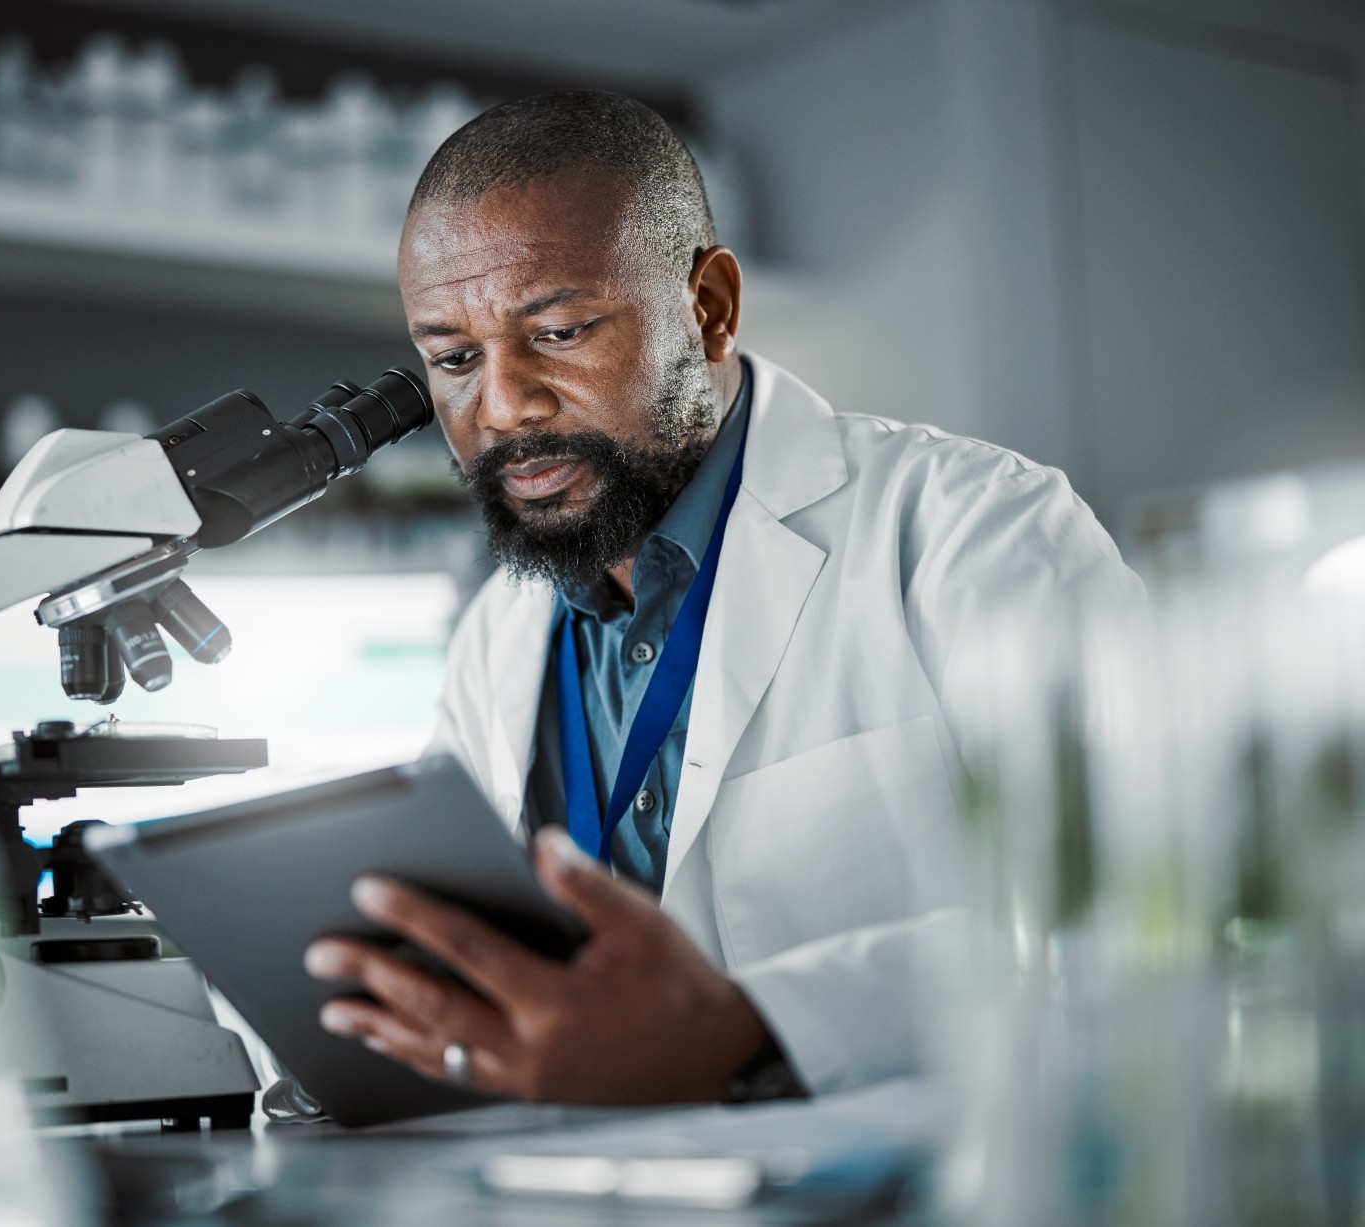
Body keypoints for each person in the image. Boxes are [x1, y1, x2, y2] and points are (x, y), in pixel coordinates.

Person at [302, 91, 1140, 1105]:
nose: (505, 404)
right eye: (453, 358)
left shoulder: (974, 527)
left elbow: (1137, 900)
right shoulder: (500, 634)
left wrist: (752, 1028)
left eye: (560, 330)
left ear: (709, 309)